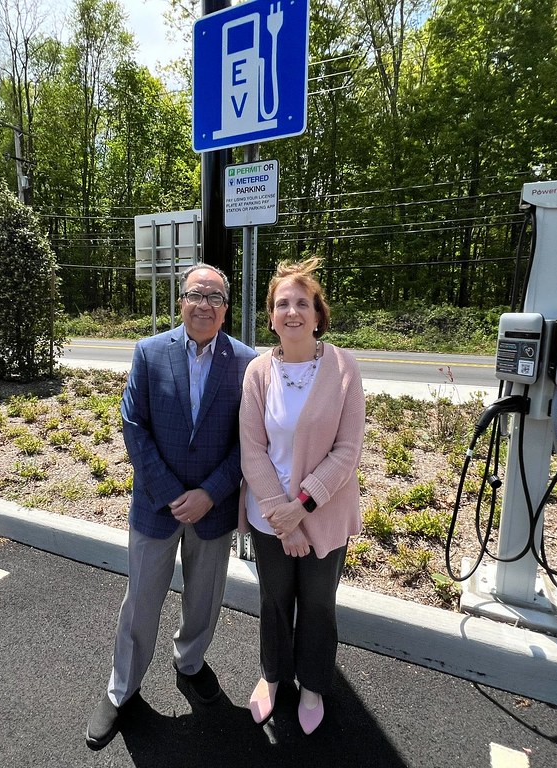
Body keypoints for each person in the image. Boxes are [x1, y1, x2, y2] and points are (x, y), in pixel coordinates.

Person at [86, 263, 257, 751]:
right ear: (180, 301)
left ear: (226, 308)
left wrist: (210, 493)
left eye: (215, 297)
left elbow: (250, 441)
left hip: (213, 509)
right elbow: (133, 426)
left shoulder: (247, 363)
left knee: (204, 599)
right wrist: (170, 492)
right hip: (156, 506)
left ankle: (190, 661)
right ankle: (122, 689)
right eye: (195, 295)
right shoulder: (149, 351)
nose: (204, 304)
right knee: (140, 602)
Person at [239, 257, 366, 735]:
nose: (291, 311)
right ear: (271, 317)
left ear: (318, 315)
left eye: (301, 303)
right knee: (274, 601)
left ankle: (312, 683)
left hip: (323, 513)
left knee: (318, 603)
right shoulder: (257, 372)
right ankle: (273, 676)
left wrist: (302, 508)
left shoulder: (343, 368)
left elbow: (348, 450)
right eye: (281, 304)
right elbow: (252, 449)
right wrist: (281, 515)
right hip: (269, 517)